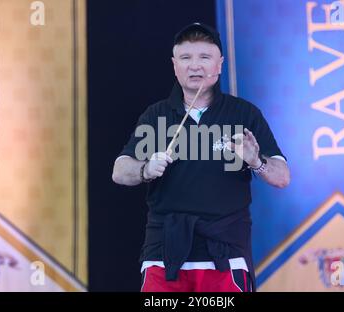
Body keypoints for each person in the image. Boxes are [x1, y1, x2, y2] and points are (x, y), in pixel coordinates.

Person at [112, 22, 290, 292]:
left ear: (219, 64)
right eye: (186, 58)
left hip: (226, 254)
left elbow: (282, 177)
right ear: (174, 65)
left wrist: (257, 162)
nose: (195, 66)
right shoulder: (156, 115)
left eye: (204, 57)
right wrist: (145, 169)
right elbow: (119, 171)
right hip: (164, 254)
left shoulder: (244, 114)